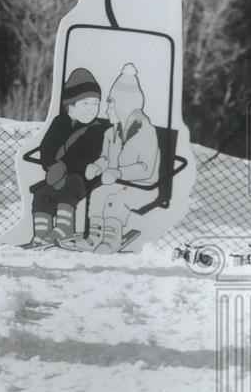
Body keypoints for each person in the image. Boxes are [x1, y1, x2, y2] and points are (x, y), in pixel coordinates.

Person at [80, 63, 160, 254]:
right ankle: (94, 237)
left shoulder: (146, 132)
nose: (107, 109)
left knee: (117, 199)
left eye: (112, 102)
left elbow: (146, 168)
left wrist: (118, 172)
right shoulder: (111, 133)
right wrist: (97, 166)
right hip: (118, 180)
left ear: (126, 105)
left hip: (141, 184)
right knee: (98, 194)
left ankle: (111, 239)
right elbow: (105, 157)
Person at [28, 68, 106, 245]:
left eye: (96, 104)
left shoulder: (97, 129)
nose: (91, 109)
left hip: (86, 175)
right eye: (85, 103)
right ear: (71, 105)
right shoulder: (60, 122)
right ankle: (42, 232)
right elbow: (47, 148)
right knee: (43, 192)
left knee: (70, 184)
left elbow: (88, 155)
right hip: (58, 173)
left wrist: (62, 167)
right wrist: (51, 166)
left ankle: (64, 229)